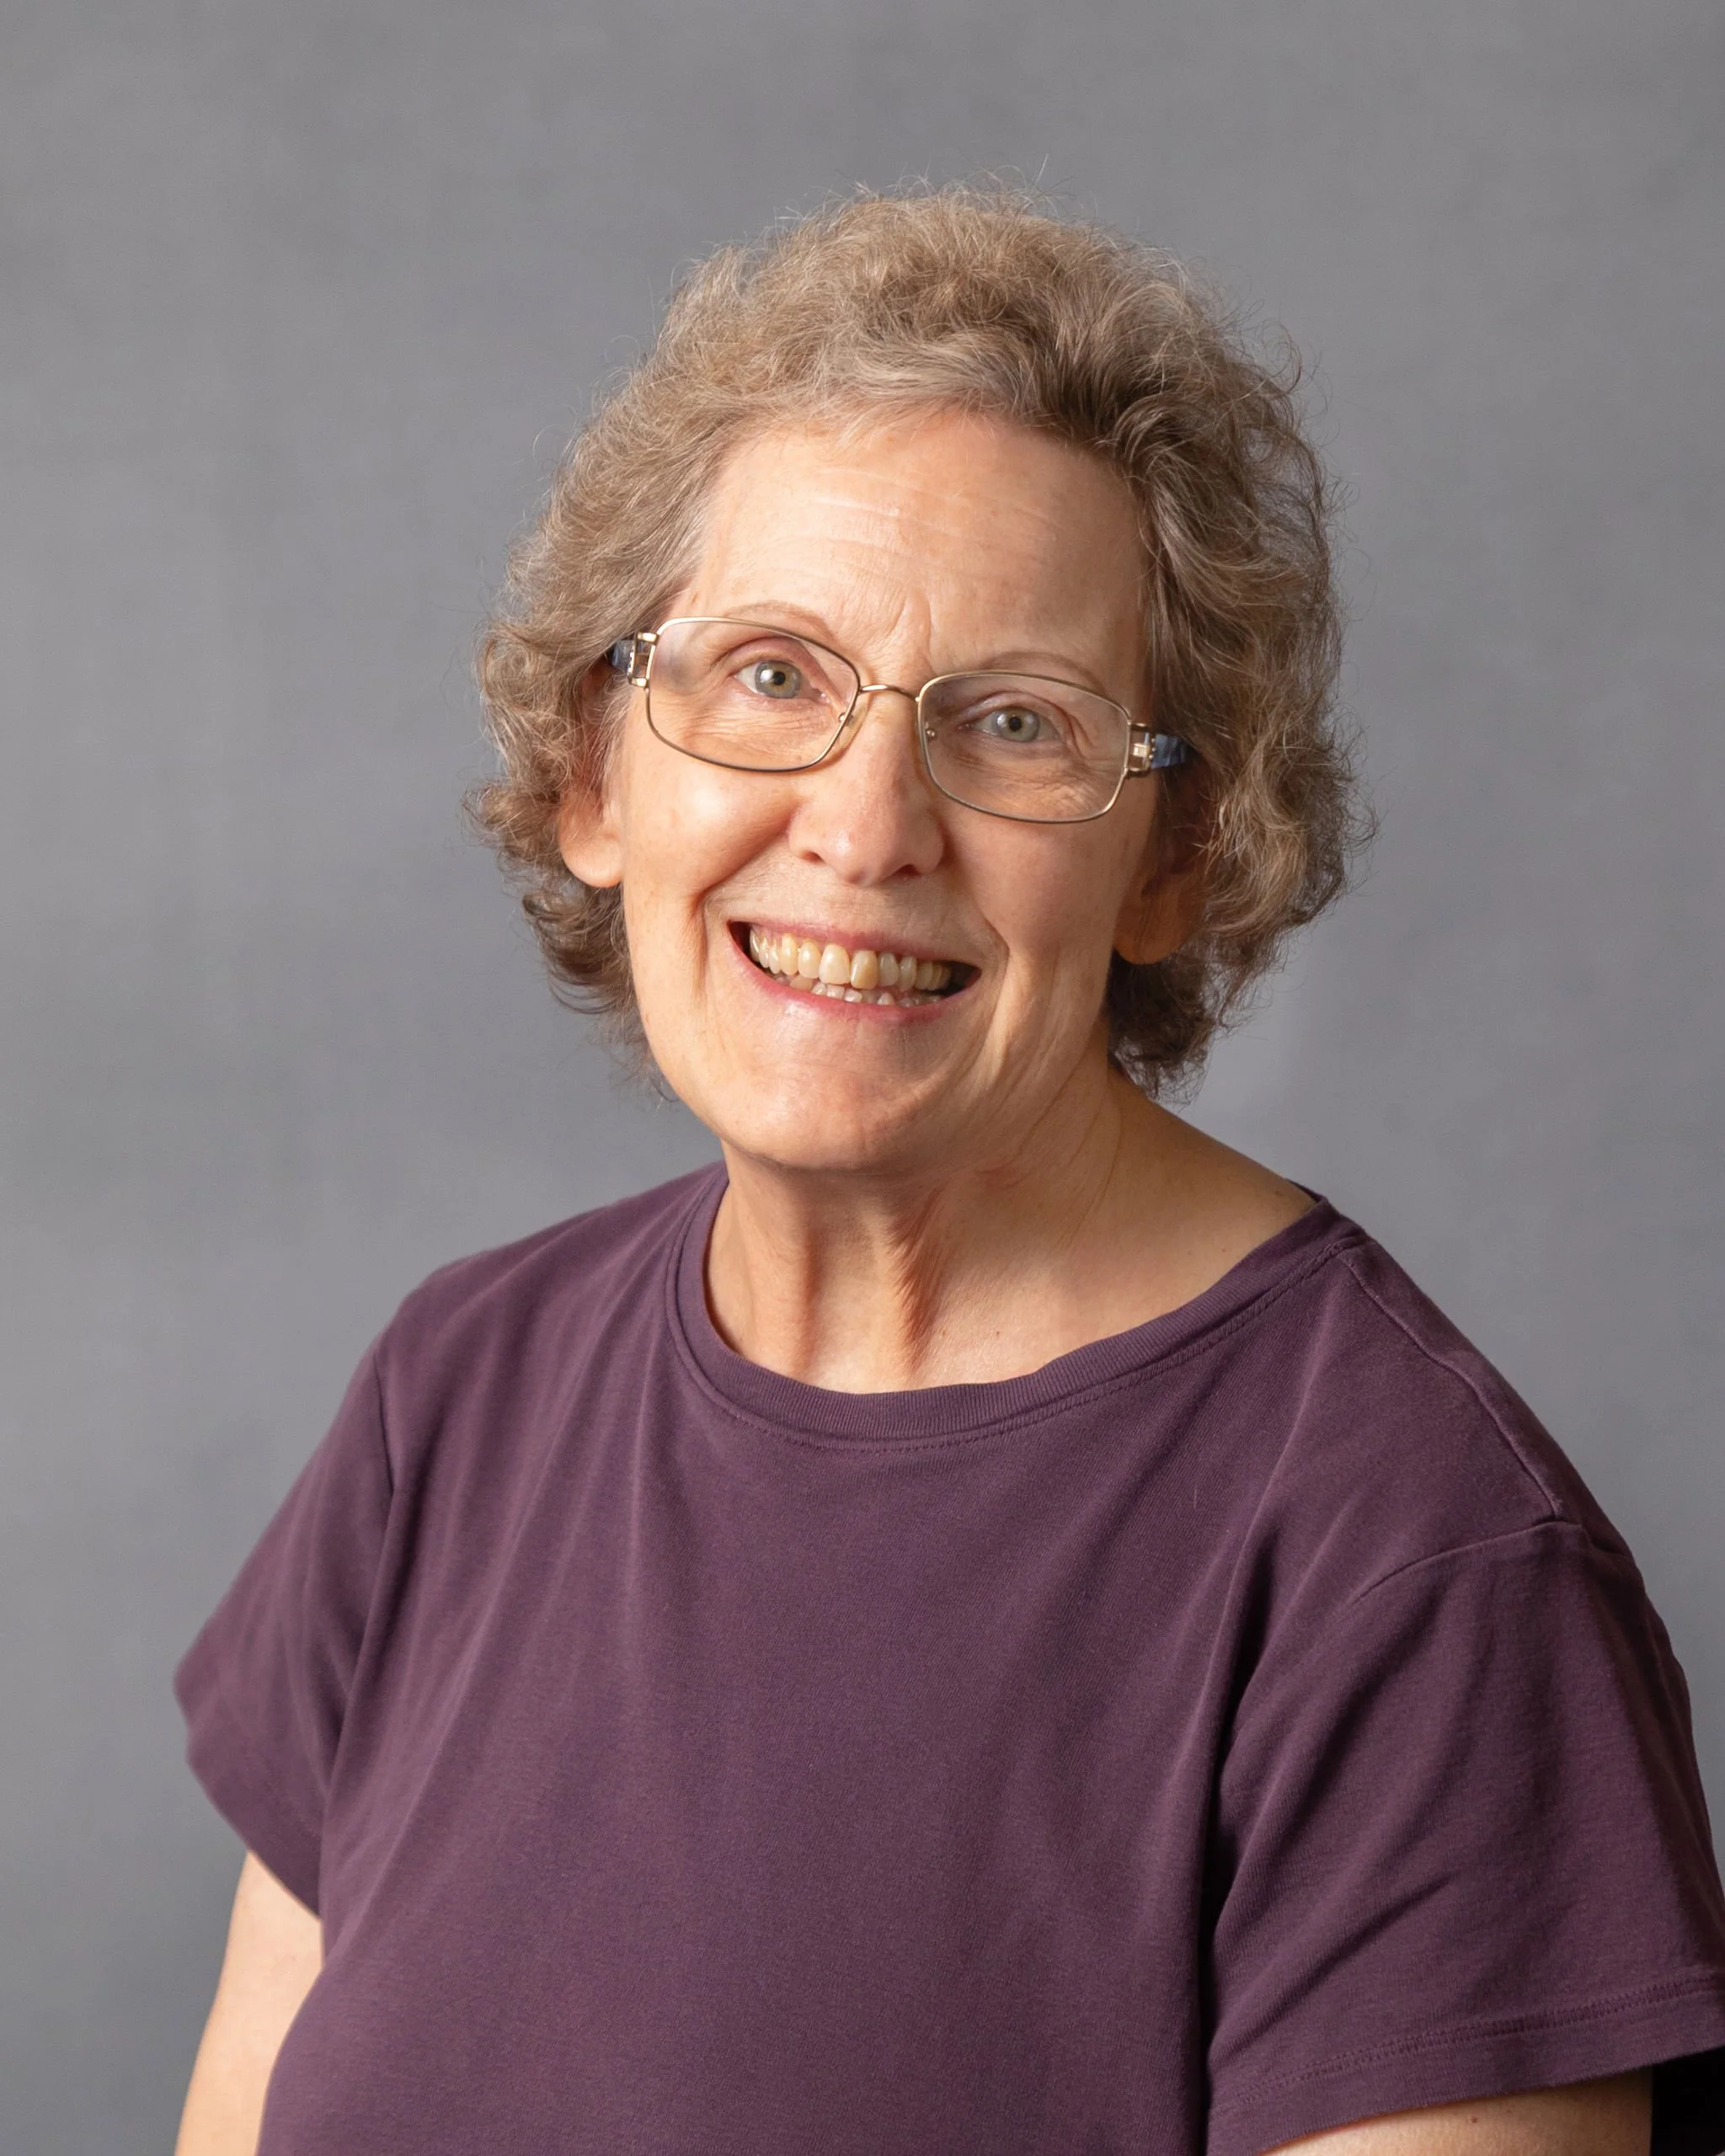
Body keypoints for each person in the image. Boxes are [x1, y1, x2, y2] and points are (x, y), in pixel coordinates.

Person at [172, 189, 1725, 2155]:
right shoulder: (454, 1399)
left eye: (1014, 722)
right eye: (770, 674)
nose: (865, 826)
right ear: (595, 773)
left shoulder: (1413, 1568)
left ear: (1174, 858)